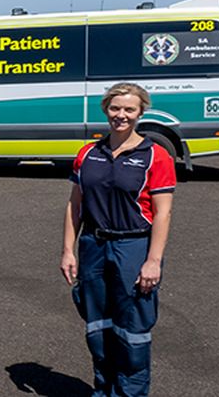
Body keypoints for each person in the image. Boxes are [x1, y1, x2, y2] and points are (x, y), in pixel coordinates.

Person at [61, 82, 175, 396]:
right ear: (105, 110)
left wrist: (153, 260)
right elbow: (75, 204)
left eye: (128, 109)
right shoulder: (88, 154)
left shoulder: (156, 156)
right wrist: (68, 250)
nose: (120, 115)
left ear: (140, 112)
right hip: (94, 246)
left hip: (134, 247)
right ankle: (104, 390)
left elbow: (163, 214)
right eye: (115, 108)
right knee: (98, 328)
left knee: (133, 331)